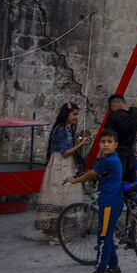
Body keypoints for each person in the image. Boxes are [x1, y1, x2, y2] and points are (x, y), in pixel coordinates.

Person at [64, 128, 123, 273]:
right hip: (111, 200)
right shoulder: (110, 159)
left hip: (109, 202)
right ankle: (114, 267)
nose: (105, 145)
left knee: (103, 237)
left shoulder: (109, 160)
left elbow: (91, 174)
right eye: (103, 142)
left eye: (109, 142)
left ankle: (100, 271)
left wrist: (75, 180)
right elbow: (94, 170)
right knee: (107, 234)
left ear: (116, 144)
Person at [34, 101, 90, 237]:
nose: (76, 117)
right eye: (74, 114)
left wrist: (78, 142)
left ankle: (52, 232)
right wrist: (81, 144)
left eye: (77, 114)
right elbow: (65, 153)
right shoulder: (61, 129)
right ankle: (54, 234)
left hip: (62, 164)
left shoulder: (66, 128)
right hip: (61, 165)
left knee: (59, 196)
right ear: (66, 114)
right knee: (59, 196)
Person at [105, 94, 137, 183]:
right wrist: (131, 135)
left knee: (114, 182)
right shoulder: (136, 112)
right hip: (130, 156)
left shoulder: (113, 116)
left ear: (114, 105)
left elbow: (108, 138)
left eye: (110, 108)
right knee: (129, 184)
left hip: (117, 154)